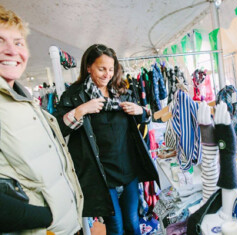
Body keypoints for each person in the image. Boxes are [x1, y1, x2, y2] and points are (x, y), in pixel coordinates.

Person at [54, 44, 160, 235]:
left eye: (111, 69)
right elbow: (57, 129)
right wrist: (81, 110)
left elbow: (148, 116)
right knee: (116, 227)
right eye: (101, 68)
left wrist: (140, 111)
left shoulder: (121, 91)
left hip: (128, 168)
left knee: (133, 222)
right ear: (88, 67)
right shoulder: (75, 96)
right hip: (101, 175)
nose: (107, 74)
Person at [0, 5, 83, 234]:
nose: (11, 51)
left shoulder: (21, 99)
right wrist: (46, 218)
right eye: (0, 41)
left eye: (17, 42)